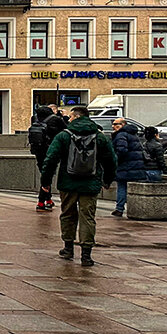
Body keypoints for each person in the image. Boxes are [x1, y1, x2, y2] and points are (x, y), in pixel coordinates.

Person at [40, 105, 116, 266]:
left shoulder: (63, 136)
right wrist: (107, 180)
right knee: (87, 217)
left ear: (75, 117)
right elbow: (111, 160)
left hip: (67, 183)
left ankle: (68, 248)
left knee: (67, 214)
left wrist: (45, 181)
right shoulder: (100, 137)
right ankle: (86, 254)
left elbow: (51, 159)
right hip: (91, 183)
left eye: (71, 116)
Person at [29, 105, 66, 211]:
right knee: (47, 176)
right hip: (51, 150)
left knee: (44, 174)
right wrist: (64, 117)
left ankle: (48, 199)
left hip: (37, 150)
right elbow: (66, 129)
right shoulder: (55, 119)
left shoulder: (34, 118)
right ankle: (41, 202)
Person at [110, 118, 150, 217]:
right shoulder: (133, 134)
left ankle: (119, 209)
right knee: (134, 188)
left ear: (123, 125)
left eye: (116, 124)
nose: (113, 126)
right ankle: (137, 209)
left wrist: (115, 160)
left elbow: (121, 150)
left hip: (125, 166)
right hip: (136, 166)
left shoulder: (121, 135)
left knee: (122, 187)